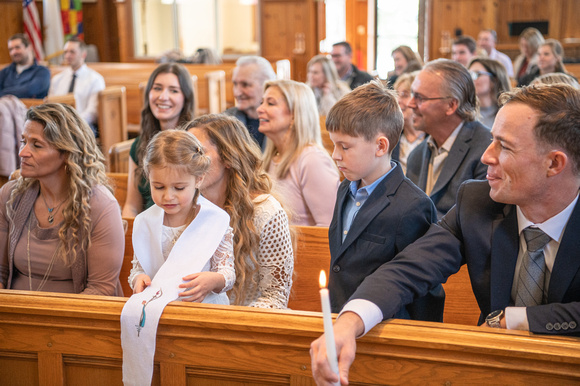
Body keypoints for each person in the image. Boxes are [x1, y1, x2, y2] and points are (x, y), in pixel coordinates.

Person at [311, 83, 580, 385]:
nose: (485, 157)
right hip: (491, 368)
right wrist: (351, 320)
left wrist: (513, 319)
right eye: (491, 140)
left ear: (554, 163)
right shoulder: (477, 203)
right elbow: (409, 267)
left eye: (504, 146)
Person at [325, 80, 443, 319]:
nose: (335, 155)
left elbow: (423, 287)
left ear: (380, 146)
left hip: (387, 328)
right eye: (333, 145)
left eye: (344, 147)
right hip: (341, 316)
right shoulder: (345, 188)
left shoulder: (412, 205)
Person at [0, 103, 124, 295]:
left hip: (75, 318)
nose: (22, 153)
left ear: (66, 153)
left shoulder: (100, 205)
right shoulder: (11, 195)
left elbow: (100, 290)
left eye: (37, 145)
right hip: (12, 316)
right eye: (24, 141)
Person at [185, 114, 294, 308]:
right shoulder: (184, 206)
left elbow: (276, 297)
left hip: (248, 322)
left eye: (199, 152)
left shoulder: (265, 212)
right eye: (185, 153)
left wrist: (232, 322)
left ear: (228, 158)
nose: (189, 162)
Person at [128, 129, 234, 304]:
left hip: (205, 308)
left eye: (179, 188)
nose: (168, 196)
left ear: (198, 180)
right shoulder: (145, 222)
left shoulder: (214, 220)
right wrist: (138, 279)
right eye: (159, 187)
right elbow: (137, 269)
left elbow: (227, 273)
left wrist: (213, 280)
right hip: (159, 309)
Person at [405, 59, 491, 219]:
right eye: (412, 95)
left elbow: (476, 223)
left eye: (420, 98)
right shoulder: (417, 156)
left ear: (451, 105)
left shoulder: (487, 151)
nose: (410, 104)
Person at [258, 80, 340, 226]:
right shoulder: (271, 158)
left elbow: (329, 228)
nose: (260, 109)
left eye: (270, 103)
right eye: (262, 102)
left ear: (295, 114)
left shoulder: (312, 159)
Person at [122, 63, 195, 218]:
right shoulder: (140, 144)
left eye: (173, 90)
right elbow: (132, 206)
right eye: (157, 88)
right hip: (148, 230)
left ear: (185, 98)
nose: (163, 97)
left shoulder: (195, 144)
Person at [48, 37, 106, 136]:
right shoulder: (57, 79)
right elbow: (51, 105)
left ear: (83, 54)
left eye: (72, 52)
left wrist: (72, 124)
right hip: (59, 126)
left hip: (83, 126)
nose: (67, 55)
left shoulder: (95, 79)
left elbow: (92, 112)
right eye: (65, 52)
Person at [224, 56, 276, 148]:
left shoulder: (281, 124)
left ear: (266, 86)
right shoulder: (225, 121)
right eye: (235, 84)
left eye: (245, 85)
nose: (237, 92)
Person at [391, 72, 425, 172]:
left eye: (404, 95)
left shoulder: (430, 138)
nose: (398, 100)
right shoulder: (392, 137)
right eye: (396, 95)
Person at [0, 33, 50, 99]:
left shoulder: (43, 71)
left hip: (30, 108)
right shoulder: (5, 72)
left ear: (29, 47)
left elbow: (29, 90)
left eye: (17, 47)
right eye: (11, 49)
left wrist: (3, 92)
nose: (14, 52)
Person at [468, 58, 512, 128]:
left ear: (494, 80)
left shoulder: (510, 113)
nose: (471, 79)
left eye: (477, 74)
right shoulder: (465, 112)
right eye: (469, 74)